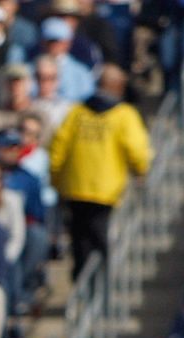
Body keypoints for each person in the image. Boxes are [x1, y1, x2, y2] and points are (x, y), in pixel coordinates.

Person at [49, 63, 152, 276]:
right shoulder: (124, 115)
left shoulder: (77, 112)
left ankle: (82, 281)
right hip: (105, 189)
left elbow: (58, 148)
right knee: (99, 237)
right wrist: (141, 170)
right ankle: (103, 283)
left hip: (75, 186)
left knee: (80, 239)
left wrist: (57, 179)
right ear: (118, 86)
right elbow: (137, 150)